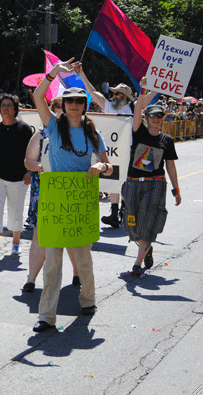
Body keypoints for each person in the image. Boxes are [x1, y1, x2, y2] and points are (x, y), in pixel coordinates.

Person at [31, 60, 113, 333]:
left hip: (80, 203)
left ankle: (88, 300)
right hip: (56, 202)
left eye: (79, 100)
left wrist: (99, 166)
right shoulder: (53, 126)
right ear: (63, 105)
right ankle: (46, 316)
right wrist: (56, 70)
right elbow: (36, 96)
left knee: (83, 258)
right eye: (70, 101)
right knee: (52, 261)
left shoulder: (92, 132)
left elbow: (108, 165)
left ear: (84, 104)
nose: (74, 104)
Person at [23, 97, 80, 291]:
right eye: (56, 109)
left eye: (62, 110)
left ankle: (77, 273)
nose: (59, 114)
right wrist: (39, 166)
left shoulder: (78, 133)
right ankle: (31, 278)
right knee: (39, 235)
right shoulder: (41, 134)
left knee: (70, 235)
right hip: (45, 190)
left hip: (69, 191)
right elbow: (28, 161)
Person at [122, 85, 181, 276]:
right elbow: (138, 107)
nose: (156, 120)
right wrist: (148, 90)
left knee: (148, 222)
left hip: (156, 184)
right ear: (146, 119)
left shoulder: (167, 140)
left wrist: (176, 189)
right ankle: (145, 247)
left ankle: (137, 264)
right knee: (131, 224)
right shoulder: (138, 132)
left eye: (159, 116)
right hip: (132, 182)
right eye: (152, 116)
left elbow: (170, 166)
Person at [74, 63, 134, 228]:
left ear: (126, 97)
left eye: (118, 94)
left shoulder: (131, 111)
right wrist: (82, 73)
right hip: (111, 150)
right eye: (113, 93)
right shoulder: (110, 106)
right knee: (113, 180)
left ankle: (124, 211)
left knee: (123, 182)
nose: (114, 95)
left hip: (125, 151)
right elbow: (93, 92)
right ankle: (114, 213)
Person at [0, 94, 33, 258]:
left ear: (15, 109)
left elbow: (32, 153)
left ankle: (16, 243)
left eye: (9, 105)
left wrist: (29, 172)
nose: (5, 107)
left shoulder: (24, 129)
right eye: (3, 105)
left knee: (15, 212)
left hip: (19, 179)